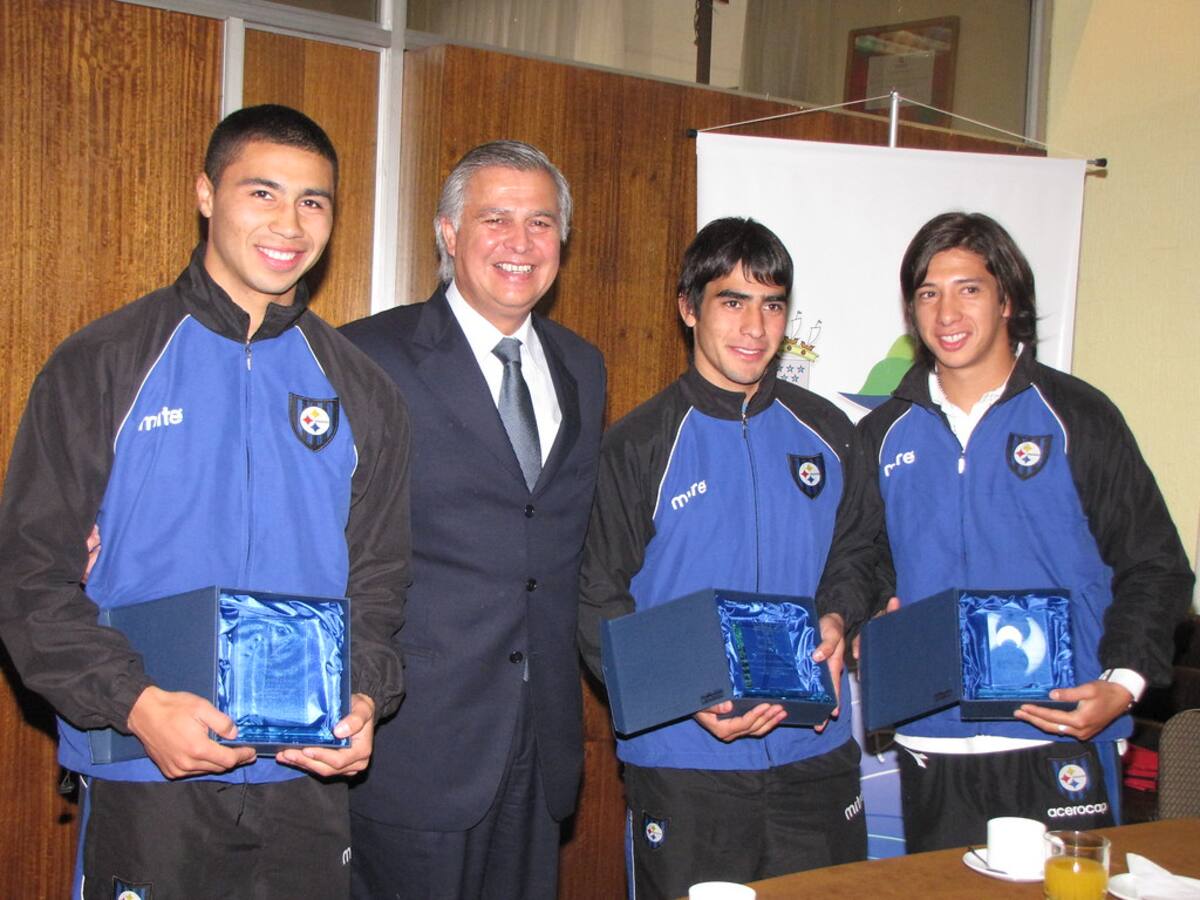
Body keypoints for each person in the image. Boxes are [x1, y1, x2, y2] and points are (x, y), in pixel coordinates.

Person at [0, 104, 410, 898]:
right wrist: (135, 704)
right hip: (147, 769)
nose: (289, 223)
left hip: (304, 778)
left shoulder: (364, 390)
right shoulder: (103, 363)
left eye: (313, 201)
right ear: (205, 194)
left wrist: (363, 695)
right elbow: (27, 578)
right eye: (262, 192)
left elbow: (381, 585)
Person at [857, 211, 1194, 852]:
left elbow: (1155, 564)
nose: (947, 313)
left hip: (1060, 732)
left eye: (969, 289)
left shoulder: (1077, 415)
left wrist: (1123, 685)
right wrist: (870, 613)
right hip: (932, 739)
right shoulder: (881, 435)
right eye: (928, 293)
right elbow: (865, 562)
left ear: (1007, 299)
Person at [578, 217, 876, 900]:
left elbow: (860, 550)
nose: (755, 327)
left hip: (814, 754)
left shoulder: (830, 432)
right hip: (685, 763)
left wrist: (838, 615)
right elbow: (597, 601)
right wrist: (687, 697)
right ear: (689, 308)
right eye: (732, 301)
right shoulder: (638, 445)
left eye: (772, 305)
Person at [340, 140, 606, 900]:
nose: (521, 242)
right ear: (449, 233)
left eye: (541, 223)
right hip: (416, 738)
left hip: (542, 740)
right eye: (496, 219)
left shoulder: (582, 366)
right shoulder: (368, 355)